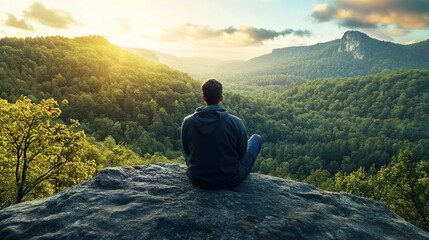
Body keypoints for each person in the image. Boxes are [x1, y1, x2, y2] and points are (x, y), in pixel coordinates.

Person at [181, 79, 262, 189]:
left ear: (203, 97)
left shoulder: (188, 121)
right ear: (221, 98)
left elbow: (186, 152)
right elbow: (242, 154)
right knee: (256, 138)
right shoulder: (236, 122)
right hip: (230, 179)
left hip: (197, 179)